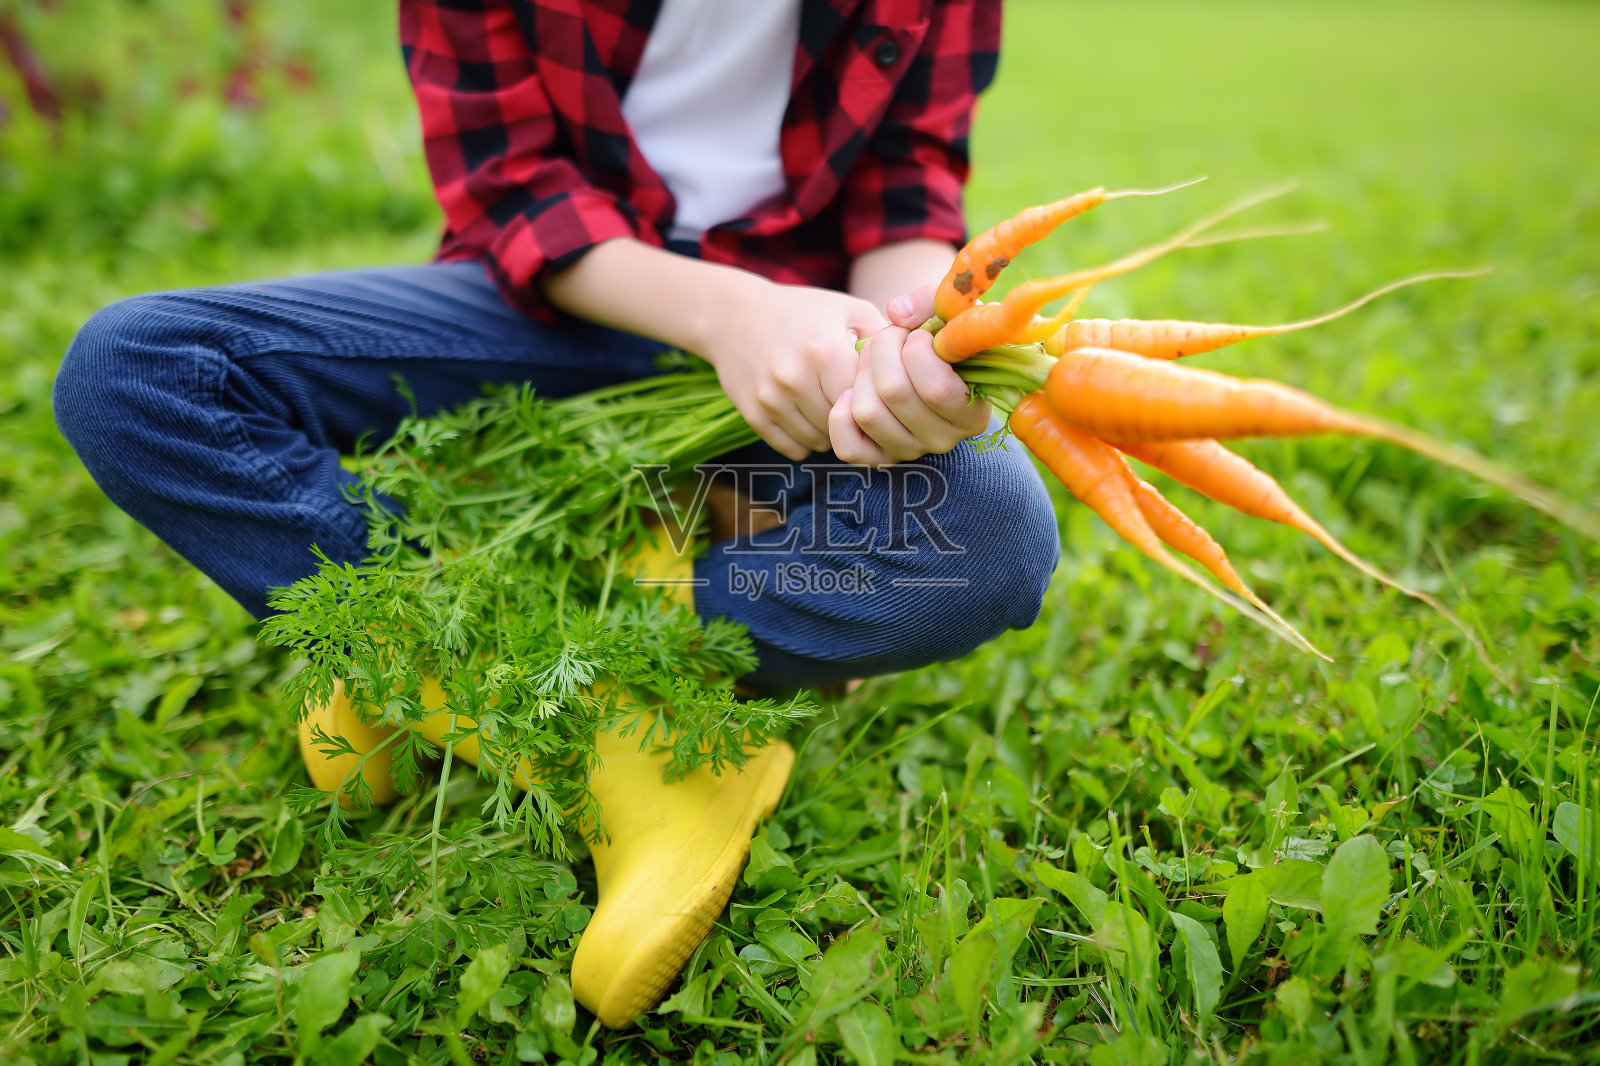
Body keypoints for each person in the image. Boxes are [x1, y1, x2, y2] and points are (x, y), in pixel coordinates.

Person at [52, 0, 1058, 1027]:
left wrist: (902, 352)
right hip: (560, 306)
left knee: (991, 533)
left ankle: (446, 653)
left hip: (799, 351)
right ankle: (614, 735)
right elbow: (514, 185)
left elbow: (905, 182)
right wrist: (730, 314)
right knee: (139, 373)